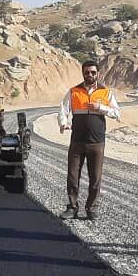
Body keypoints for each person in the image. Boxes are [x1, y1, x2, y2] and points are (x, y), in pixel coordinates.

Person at [57, 60, 121, 220]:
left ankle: (92, 208)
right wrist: (63, 123)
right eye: (87, 72)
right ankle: (72, 208)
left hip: (97, 143)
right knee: (72, 176)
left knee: (95, 178)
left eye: (93, 72)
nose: (90, 75)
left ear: (98, 73)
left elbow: (117, 113)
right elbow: (63, 110)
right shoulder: (73, 92)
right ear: (83, 73)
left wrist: (101, 108)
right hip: (77, 142)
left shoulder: (106, 92)